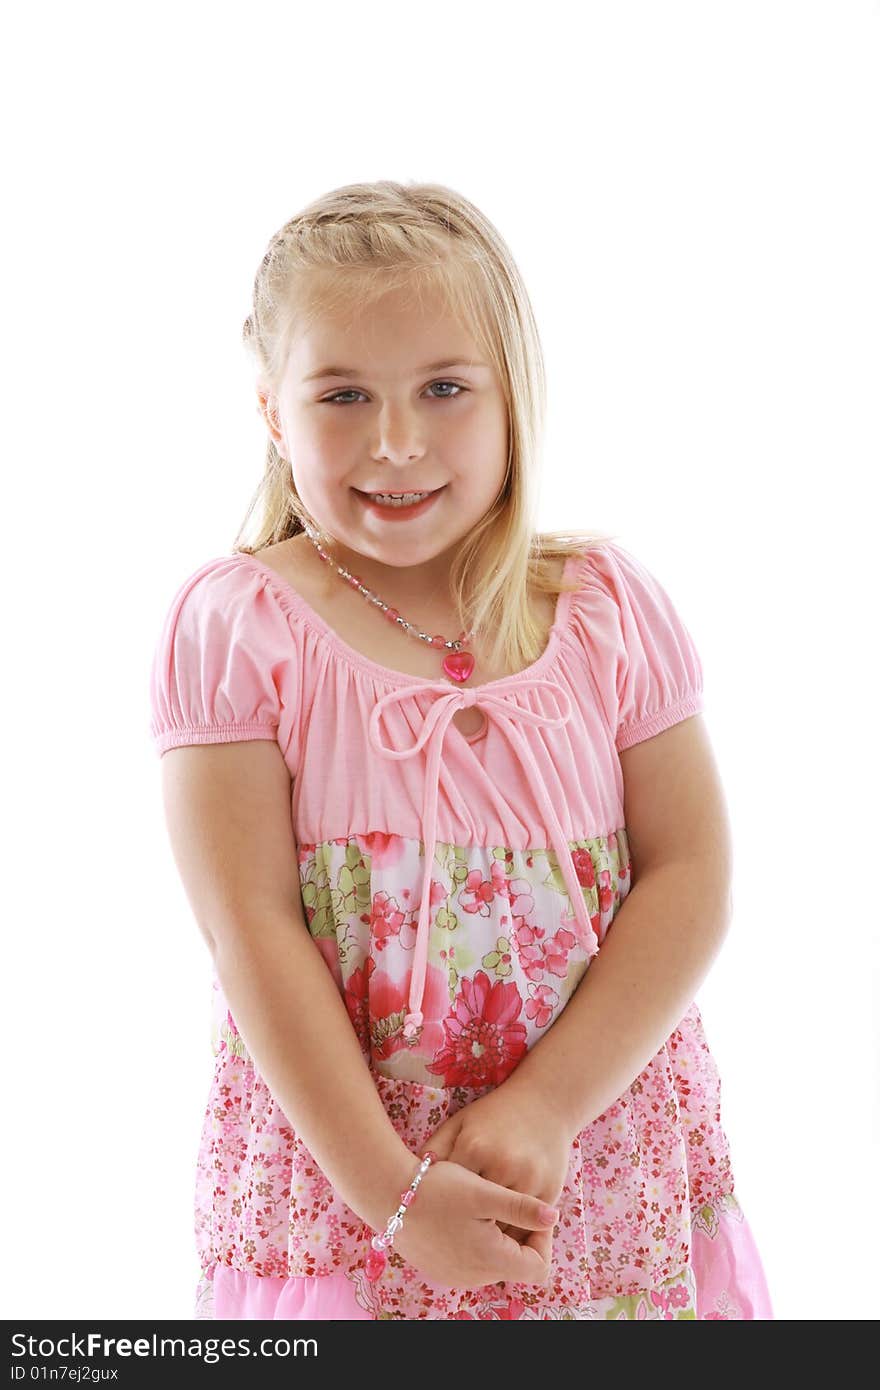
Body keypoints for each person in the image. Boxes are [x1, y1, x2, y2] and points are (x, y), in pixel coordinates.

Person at [148, 179, 774, 1321]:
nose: (396, 442)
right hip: (354, 1178)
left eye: (444, 388)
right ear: (273, 413)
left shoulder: (604, 607)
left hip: (597, 1159)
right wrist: (393, 1195)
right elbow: (251, 928)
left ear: (512, 399)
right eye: (342, 394)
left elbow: (692, 875)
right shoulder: (240, 626)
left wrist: (546, 1106)